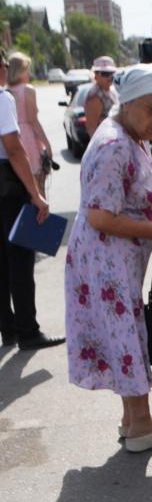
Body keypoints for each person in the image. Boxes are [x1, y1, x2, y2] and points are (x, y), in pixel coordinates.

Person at [65, 64, 152, 452]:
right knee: (126, 335)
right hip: (106, 260)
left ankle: (136, 416)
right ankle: (140, 430)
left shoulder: (129, 136)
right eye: (151, 109)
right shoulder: (116, 143)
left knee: (125, 335)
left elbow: (133, 198)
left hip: (111, 258)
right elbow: (101, 215)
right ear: (128, 104)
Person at [0, 47, 57, 351]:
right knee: (20, 259)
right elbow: (13, 148)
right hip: (8, 183)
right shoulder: (3, 98)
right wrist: (36, 195)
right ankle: (28, 331)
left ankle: (7, 327)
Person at [5, 52, 53, 192]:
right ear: (21, 71)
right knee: (39, 187)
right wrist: (47, 144)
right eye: (27, 69)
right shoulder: (28, 90)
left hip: (10, 138)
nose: (29, 73)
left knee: (20, 189)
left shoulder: (5, 92)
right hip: (28, 138)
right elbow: (33, 121)